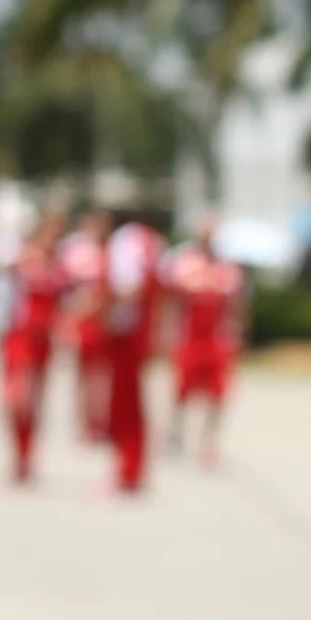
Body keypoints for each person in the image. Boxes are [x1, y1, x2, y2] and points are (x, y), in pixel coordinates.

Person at [161, 215, 247, 469]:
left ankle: (209, 441)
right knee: (183, 388)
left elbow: (237, 304)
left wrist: (239, 333)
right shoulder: (184, 262)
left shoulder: (228, 268)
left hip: (217, 336)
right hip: (190, 335)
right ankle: (177, 433)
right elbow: (171, 300)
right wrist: (166, 331)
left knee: (218, 392)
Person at [0, 212, 66, 484]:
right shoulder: (23, 259)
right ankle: (18, 453)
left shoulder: (59, 267)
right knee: (17, 399)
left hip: (44, 341)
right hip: (21, 337)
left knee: (35, 403)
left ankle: (27, 459)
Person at [105, 211, 165, 494]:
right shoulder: (151, 241)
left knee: (125, 408)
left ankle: (127, 470)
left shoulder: (125, 241)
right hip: (140, 335)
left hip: (126, 335)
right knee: (133, 407)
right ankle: (131, 468)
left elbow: (128, 287)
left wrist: (98, 304)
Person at [56, 208, 113, 443]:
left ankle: (99, 421)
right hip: (85, 321)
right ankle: (84, 422)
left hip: (103, 322)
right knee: (84, 376)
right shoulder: (77, 253)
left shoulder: (109, 253)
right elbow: (66, 290)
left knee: (101, 376)